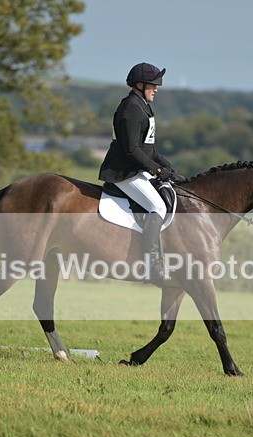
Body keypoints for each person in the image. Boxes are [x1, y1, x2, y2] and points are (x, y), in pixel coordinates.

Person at [99, 62, 174, 283]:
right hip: (123, 171)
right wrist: (156, 170)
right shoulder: (131, 107)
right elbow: (131, 149)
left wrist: (167, 166)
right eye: (153, 85)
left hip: (136, 169)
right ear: (140, 85)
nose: (156, 89)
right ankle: (152, 266)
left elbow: (148, 147)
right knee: (158, 206)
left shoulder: (143, 105)